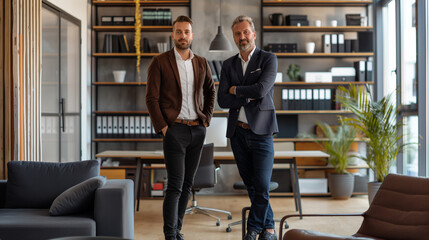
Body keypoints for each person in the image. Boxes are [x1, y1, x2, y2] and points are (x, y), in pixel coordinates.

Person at [146, 15, 216, 240]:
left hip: (197, 130)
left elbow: (211, 91)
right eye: (178, 32)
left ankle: (177, 229)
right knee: (175, 185)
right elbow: (151, 99)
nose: (182, 36)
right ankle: (169, 234)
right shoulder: (160, 62)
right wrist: (164, 128)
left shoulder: (201, 62)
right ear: (172, 34)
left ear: (192, 35)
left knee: (187, 184)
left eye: (186, 32)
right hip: (174, 130)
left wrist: (206, 120)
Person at [217, 15, 279, 240]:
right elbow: (222, 101)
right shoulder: (228, 64)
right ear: (234, 37)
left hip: (261, 131)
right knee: (251, 184)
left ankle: (252, 230)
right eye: (237, 33)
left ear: (254, 33)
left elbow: (261, 90)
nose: (242, 37)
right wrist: (246, 94)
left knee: (262, 184)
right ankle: (269, 228)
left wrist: (236, 90)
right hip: (238, 133)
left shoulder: (268, 59)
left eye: (245, 32)